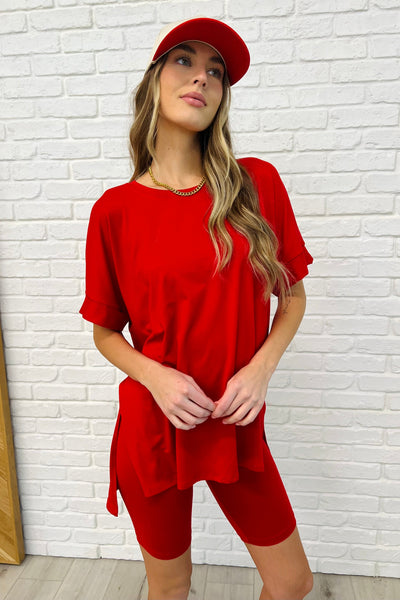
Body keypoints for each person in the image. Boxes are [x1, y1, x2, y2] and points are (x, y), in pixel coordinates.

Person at [80, 17, 314, 600]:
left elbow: (291, 295)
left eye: (216, 72)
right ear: (154, 81)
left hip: (236, 424)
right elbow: (105, 332)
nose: (202, 78)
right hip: (155, 428)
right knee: (171, 589)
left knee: (291, 583)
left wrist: (260, 370)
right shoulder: (115, 211)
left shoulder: (255, 185)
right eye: (184, 61)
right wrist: (155, 377)